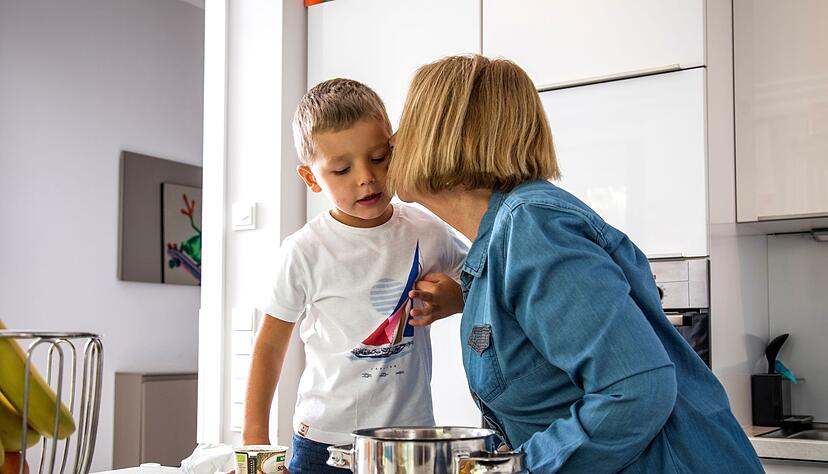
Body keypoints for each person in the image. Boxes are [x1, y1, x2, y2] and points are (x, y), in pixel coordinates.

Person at [386, 55, 764, 473]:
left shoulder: (532, 228)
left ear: (447, 134)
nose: (394, 139)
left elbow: (636, 390)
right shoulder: (501, 241)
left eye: (408, 120)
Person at [242, 78, 467, 474]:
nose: (366, 177)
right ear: (312, 179)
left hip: (408, 441)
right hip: (323, 443)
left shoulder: (428, 231)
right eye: (342, 169)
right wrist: (253, 443)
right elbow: (269, 348)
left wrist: (459, 298)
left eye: (379, 157)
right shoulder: (304, 250)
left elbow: (490, 279)